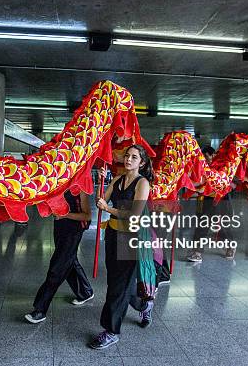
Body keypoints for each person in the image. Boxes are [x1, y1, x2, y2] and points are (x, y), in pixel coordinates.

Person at [89, 145, 154, 350]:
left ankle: (111, 331)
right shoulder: (117, 179)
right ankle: (144, 305)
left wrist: (108, 208)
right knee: (119, 282)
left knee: (118, 286)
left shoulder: (142, 183)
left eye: (134, 157)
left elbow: (134, 214)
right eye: (127, 156)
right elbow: (102, 200)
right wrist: (102, 180)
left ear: (141, 163)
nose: (128, 159)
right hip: (113, 234)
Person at [25, 190, 94, 324]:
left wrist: (65, 215)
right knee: (69, 260)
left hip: (74, 230)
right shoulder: (58, 183)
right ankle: (85, 292)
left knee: (57, 268)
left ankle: (40, 309)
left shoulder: (79, 188)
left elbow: (87, 216)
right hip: (60, 227)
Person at [187, 146, 236, 263]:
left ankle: (231, 246)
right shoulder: (201, 167)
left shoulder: (223, 166)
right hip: (206, 200)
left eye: (207, 157)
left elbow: (232, 183)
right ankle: (197, 252)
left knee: (224, 224)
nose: (205, 160)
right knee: (202, 224)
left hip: (222, 199)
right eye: (203, 157)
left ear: (213, 155)